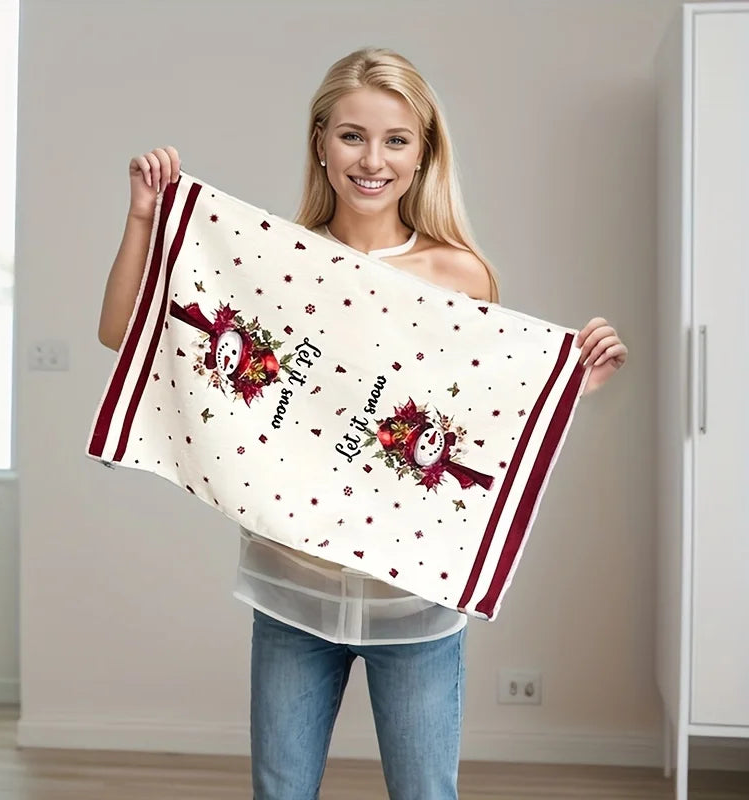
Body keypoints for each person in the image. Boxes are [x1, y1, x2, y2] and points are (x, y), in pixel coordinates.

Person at [98, 47, 627, 800]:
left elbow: (475, 426)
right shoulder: (273, 258)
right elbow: (124, 332)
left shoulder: (459, 273)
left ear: (422, 154)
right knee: (280, 793)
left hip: (413, 606)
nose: (372, 159)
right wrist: (144, 219)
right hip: (293, 591)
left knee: (424, 794)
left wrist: (567, 389)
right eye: (351, 135)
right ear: (320, 142)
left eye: (396, 140)